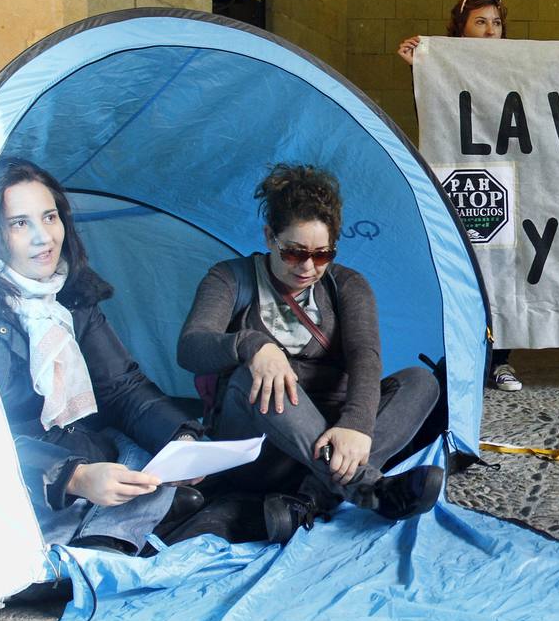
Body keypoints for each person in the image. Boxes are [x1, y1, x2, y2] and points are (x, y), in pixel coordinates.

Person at [178, 164, 444, 540]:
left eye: (322, 255)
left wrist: (356, 423)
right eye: (293, 253)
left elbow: (365, 357)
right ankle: (371, 488)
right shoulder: (229, 277)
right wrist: (252, 344)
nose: (308, 267)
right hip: (262, 441)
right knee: (254, 376)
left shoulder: (348, 285)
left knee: (421, 382)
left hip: (328, 440)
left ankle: (312, 497)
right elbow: (190, 346)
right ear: (270, 237)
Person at [0, 158, 207, 556]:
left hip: (77, 444)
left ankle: (99, 540)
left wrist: (182, 441)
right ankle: (115, 530)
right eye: (19, 223)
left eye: (50, 217)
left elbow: (122, 388)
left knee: (145, 457)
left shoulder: (70, 292)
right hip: (9, 469)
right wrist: (73, 477)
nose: (44, 238)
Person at [398, 0, 523, 393]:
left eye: (496, 23)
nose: (490, 31)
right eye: (480, 22)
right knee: (461, 266)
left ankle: (500, 362)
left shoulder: (517, 66)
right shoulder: (444, 65)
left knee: (504, 271)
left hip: (505, 179)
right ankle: (462, 358)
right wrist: (419, 69)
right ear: (462, 28)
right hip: (463, 183)